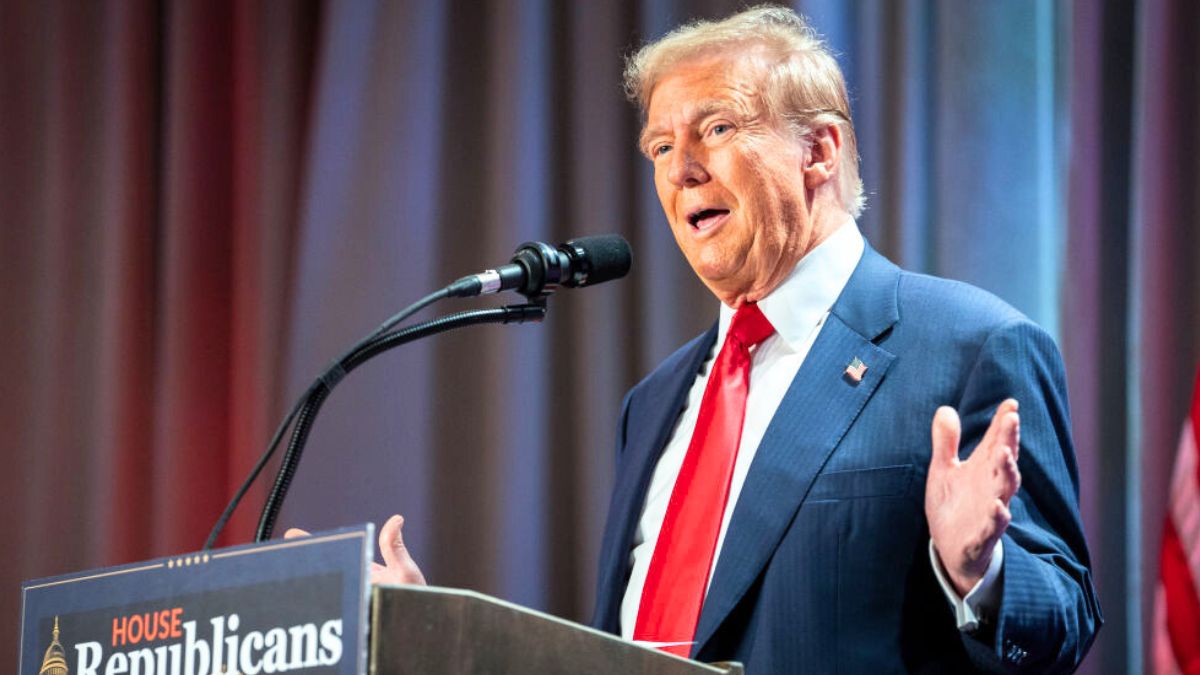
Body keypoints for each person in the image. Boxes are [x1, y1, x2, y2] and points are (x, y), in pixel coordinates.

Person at [324, 6, 1101, 673]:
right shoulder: (654, 402)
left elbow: (1064, 622)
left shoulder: (971, 347)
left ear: (820, 149)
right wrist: (436, 636)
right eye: (660, 147)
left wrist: (982, 571)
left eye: (718, 128)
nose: (682, 169)